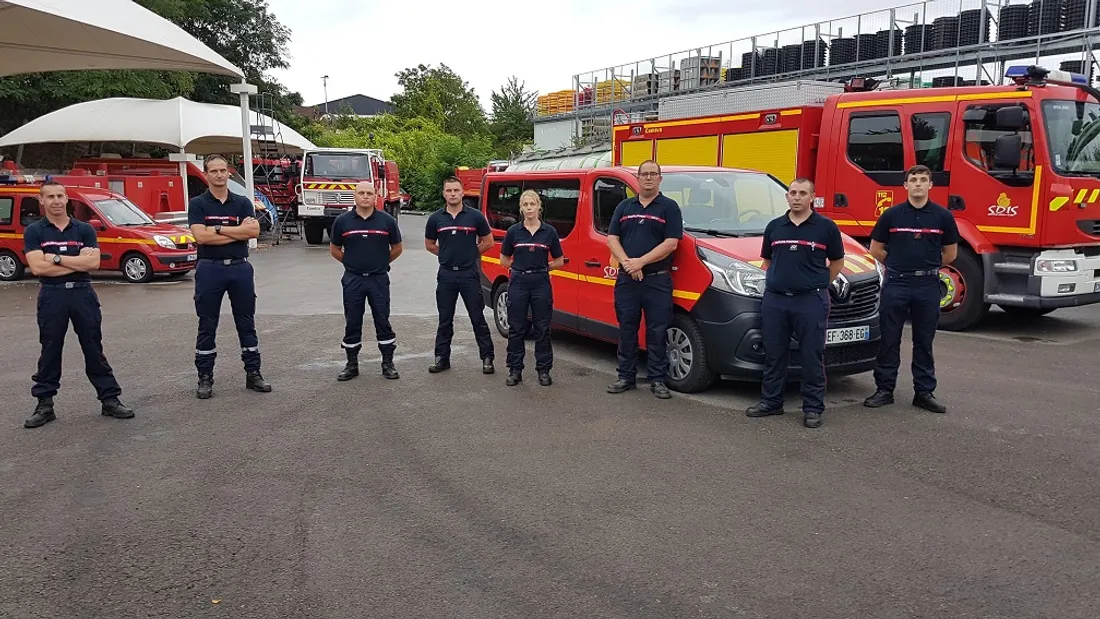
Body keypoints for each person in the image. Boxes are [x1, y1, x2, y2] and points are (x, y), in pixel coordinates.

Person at [22, 180, 134, 428]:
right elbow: (38, 267)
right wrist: (75, 260)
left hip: (83, 294)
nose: (56, 201)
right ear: (41, 201)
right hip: (52, 295)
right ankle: (44, 404)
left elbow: (92, 265)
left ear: (67, 199)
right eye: (50, 197)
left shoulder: (84, 230)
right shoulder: (35, 232)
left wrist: (57, 258)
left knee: (93, 346)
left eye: (60, 196)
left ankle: (110, 399)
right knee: (50, 349)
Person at [745, 178, 844, 429]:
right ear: (787, 197)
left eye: (802, 193)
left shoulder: (826, 228)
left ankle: (812, 408)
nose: (797, 197)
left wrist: (818, 284)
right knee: (775, 354)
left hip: (810, 301)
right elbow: (767, 261)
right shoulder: (774, 227)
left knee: (811, 355)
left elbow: (837, 262)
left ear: (812, 197)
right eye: (792, 193)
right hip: (776, 301)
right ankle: (771, 402)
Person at [863, 164, 958, 414]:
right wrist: (897, 266)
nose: (918, 183)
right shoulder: (891, 216)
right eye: (913, 179)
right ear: (905, 186)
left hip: (927, 285)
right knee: (889, 339)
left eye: (923, 179)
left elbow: (950, 253)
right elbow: (876, 249)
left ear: (930, 185)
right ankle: (884, 389)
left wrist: (925, 266)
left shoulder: (943, 217)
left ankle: (924, 392)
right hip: (897, 284)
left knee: (924, 341)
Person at [187, 154, 272, 399]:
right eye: (214, 171)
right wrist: (238, 232)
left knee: (246, 321)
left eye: (223, 170)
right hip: (209, 268)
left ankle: (253, 373)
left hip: (239, 268)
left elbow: (253, 230)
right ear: (206, 174)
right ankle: (205, 377)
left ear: (229, 172)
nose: (219, 175)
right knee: (207, 324)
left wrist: (217, 229)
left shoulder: (243, 202)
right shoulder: (198, 204)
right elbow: (200, 237)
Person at [605, 160, 684, 399]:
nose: (648, 178)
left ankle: (657, 379)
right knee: (627, 329)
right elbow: (612, 238)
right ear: (637, 179)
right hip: (628, 281)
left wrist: (641, 262)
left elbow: (671, 243)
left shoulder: (669, 208)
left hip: (657, 281)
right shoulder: (624, 207)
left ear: (660, 179)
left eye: (653, 174)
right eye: (644, 174)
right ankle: (625, 377)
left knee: (657, 331)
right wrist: (630, 264)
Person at [329, 181, 403, 381]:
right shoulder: (343, 222)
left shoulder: (386, 221)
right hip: (353, 280)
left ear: (376, 195)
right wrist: (351, 263)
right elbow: (335, 249)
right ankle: (351, 364)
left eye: (369, 193)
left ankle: (387, 363)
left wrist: (380, 262)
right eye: (361, 193)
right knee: (353, 321)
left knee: (382, 320)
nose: (365, 196)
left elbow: (397, 248)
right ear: (355, 196)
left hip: (378, 279)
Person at [424, 176, 496, 374]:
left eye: (456, 190)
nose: (452, 194)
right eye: (449, 191)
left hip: (469, 274)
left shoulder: (475, 217)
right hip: (446, 275)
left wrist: (471, 254)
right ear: (444, 193)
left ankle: (487, 358)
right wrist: (446, 255)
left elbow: (488, 241)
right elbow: (429, 244)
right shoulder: (436, 219)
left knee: (477, 317)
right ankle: (441, 358)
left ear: (462, 192)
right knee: (445, 319)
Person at [500, 189, 565, 387]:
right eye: (525, 205)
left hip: (540, 283)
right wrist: (520, 269)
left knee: (542, 328)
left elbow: (559, 261)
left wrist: (544, 268)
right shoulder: (513, 232)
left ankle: (544, 370)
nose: (529, 208)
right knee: (517, 328)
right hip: (519, 282)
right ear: (521, 208)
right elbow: (504, 260)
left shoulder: (549, 232)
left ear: (538, 207)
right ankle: (515, 370)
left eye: (532, 204)